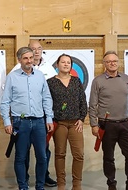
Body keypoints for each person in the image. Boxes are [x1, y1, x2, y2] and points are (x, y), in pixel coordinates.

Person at [0, 46, 54, 190]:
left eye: (31, 58)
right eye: (25, 58)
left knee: (42, 157)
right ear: (19, 60)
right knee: (20, 157)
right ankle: (23, 186)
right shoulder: (12, 77)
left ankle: (40, 186)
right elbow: (5, 101)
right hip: (20, 122)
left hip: (39, 122)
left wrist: (49, 118)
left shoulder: (40, 76)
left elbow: (46, 98)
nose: (29, 60)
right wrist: (6, 121)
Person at [89, 51, 128, 190]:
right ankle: (111, 184)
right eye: (109, 61)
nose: (112, 63)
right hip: (106, 125)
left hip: (125, 124)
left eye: (114, 61)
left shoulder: (126, 78)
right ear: (104, 64)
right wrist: (93, 124)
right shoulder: (98, 81)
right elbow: (92, 104)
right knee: (108, 157)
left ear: (118, 62)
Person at [47, 54, 87, 190]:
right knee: (60, 154)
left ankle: (77, 184)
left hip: (75, 123)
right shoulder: (50, 82)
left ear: (71, 65)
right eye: (63, 62)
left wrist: (82, 119)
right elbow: (47, 103)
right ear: (57, 65)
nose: (65, 64)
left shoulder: (76, 81)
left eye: (68, 62)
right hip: (59, 123)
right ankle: (61, 184)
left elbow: (83, 101)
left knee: (79, 154)